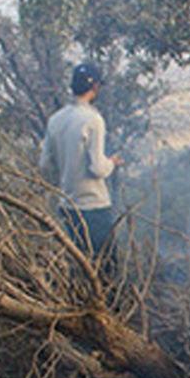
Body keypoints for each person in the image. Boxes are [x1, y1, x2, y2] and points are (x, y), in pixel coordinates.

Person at [39, 62, 123, 261]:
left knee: (78, 264)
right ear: (95, 87)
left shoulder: (55, 119)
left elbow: (45, 165)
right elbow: (97, 168)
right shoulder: (93, 119)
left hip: (68, 206)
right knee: (104, 267)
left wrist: (66, 176)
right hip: (93, 206)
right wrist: (112, 163)